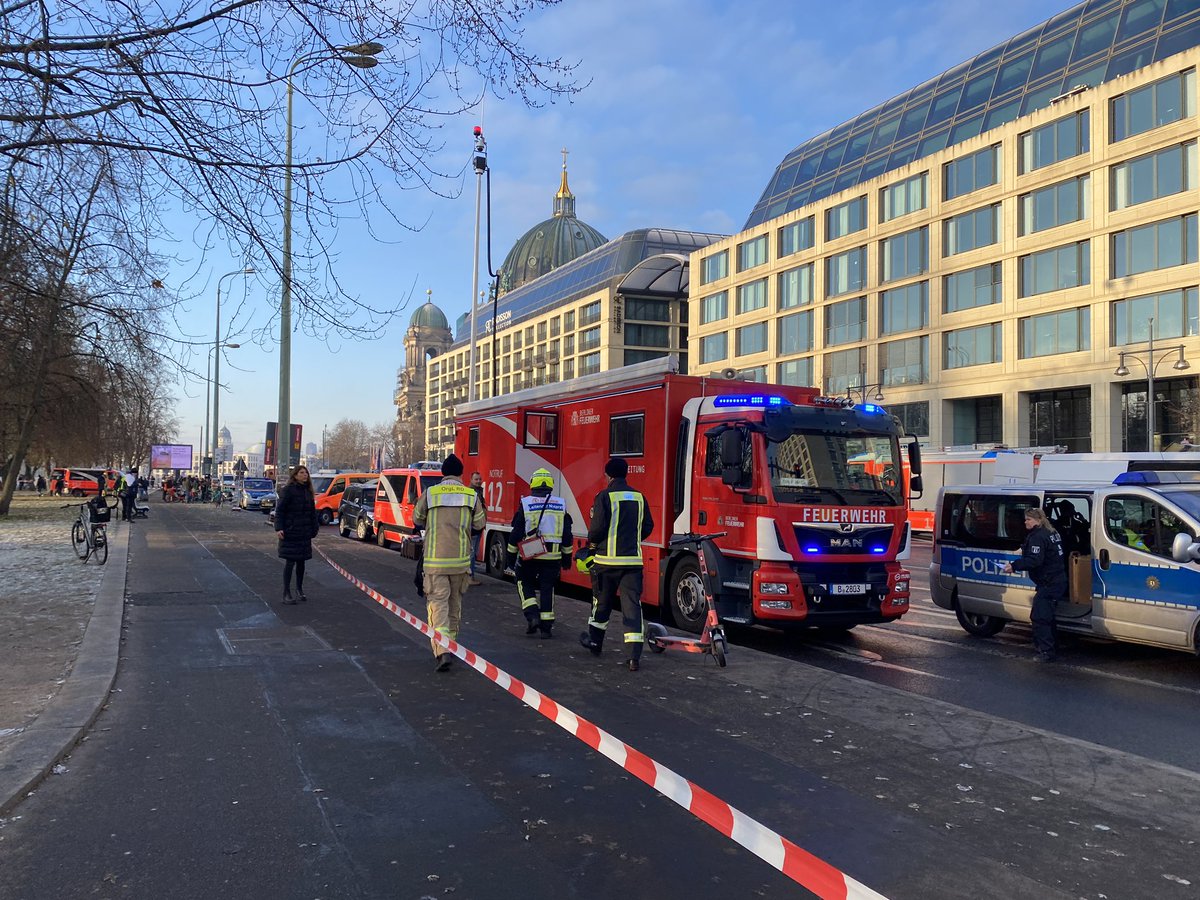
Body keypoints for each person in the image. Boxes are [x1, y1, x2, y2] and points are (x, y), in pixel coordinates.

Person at [413, 453, 486, 672]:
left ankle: (442, 651)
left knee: (438, 605)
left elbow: (416, 519)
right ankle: (451, 646)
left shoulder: (431, 493)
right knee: (455, 606)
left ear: (443, 473)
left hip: (435, 562)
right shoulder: (471, 495)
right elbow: (480, 524)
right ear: (461, 473)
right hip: (461, 563)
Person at [579, 457, 653, 671]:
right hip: (633, 563)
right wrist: (631, 540)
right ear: (625, 474)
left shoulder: (604, 496)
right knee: (632, 606)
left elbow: (597, 529)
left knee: (602, 603)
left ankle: (595, 643)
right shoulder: (639, 497)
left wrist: (593, 545)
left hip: (606, 562)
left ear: (608, 475)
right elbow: (648, 526)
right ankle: (633, 657)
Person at [506, 468, 572, 638]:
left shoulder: (526, 503)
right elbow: (567, 535)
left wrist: (510, 556)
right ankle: (546, 628)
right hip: (553, 557)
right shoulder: (560, 504)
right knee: (547, 588)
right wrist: (566, 558)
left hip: (531, 554)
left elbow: (516, 532)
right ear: (550, 484)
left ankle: (532, 615)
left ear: (532, 484)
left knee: (523, 581)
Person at [1003, 507, 1066, 663]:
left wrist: (1014, 566)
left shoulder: (1038, 536)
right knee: (1047, 616)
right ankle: (1052, 646)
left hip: (1049, 582)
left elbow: (1035, 560)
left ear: (1038, 520)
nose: (1025, 522)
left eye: (1028, 519)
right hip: (1056, 579)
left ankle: (1046, 651)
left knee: (1039, 617)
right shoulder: (1051, 532)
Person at [274, 465, 319, 605]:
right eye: (301, 473)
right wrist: (279, 528)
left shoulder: (308, 491)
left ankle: (299, 589)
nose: (305, 475)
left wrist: (314, 528)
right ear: (295, 475)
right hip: (291, 532)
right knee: (290, 561)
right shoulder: (288, 490)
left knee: (301, 561)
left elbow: (312, 512)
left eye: (306, 473)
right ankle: (286, 592)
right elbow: (280, 511)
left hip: (304, 532)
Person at [468, 471, 485, 585]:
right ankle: (470, 578)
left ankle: (470, 576)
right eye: (476, 479)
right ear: (471, 480)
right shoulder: (472, 493)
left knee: (473, 553)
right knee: (472, 553)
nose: (478, 481)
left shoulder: (478, 492)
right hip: (474, 528)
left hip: (477, 528)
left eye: (480, 479)